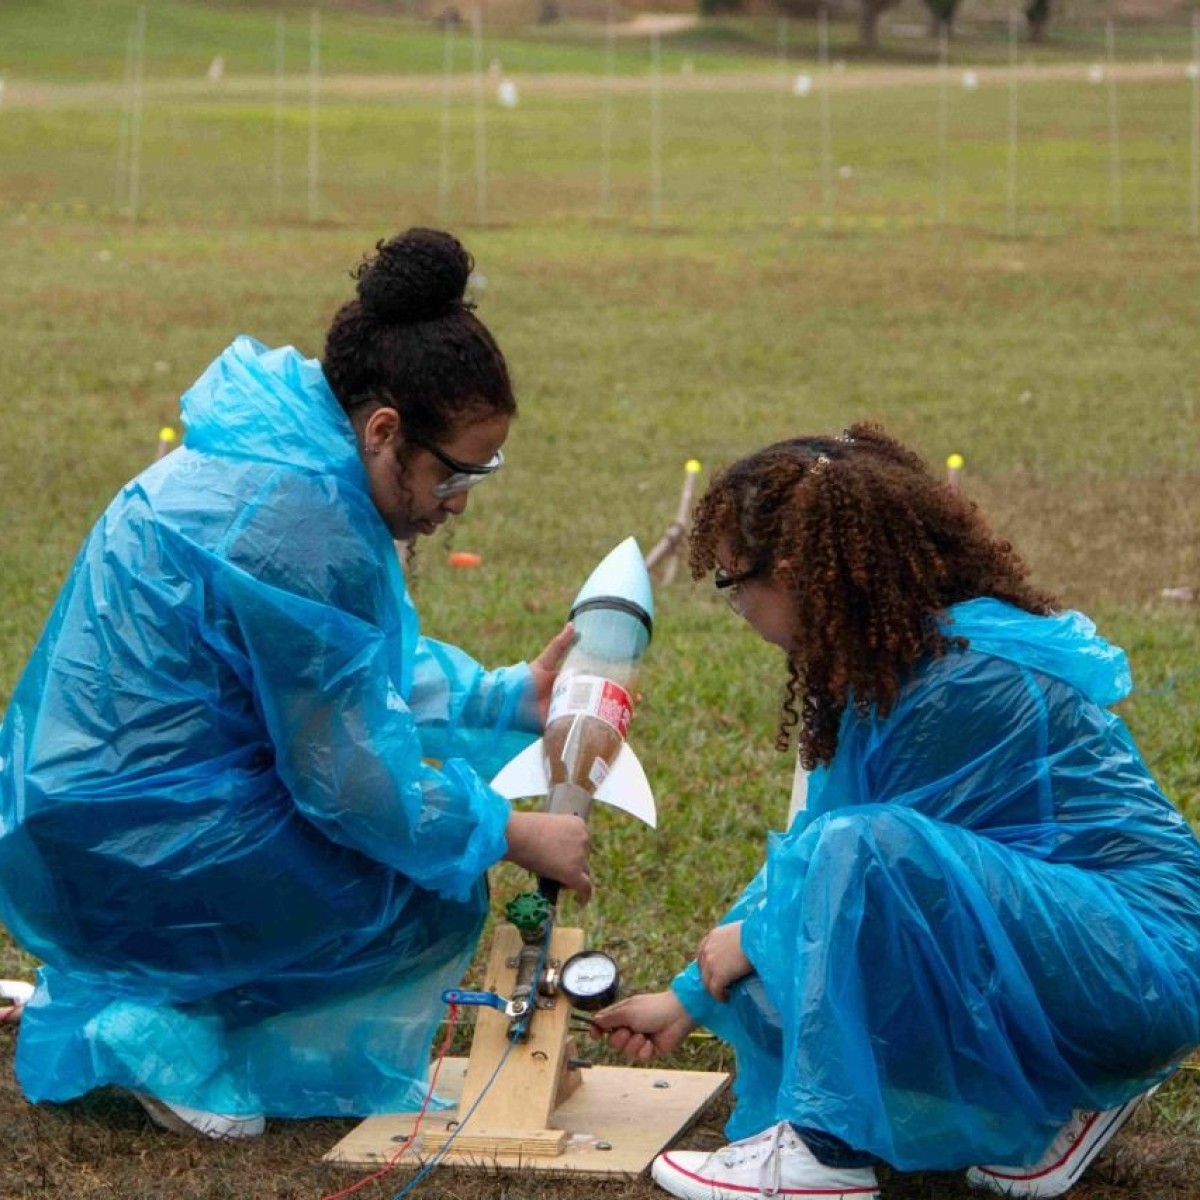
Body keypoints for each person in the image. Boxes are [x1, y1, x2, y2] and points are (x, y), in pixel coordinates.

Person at [0, 227, 592, 1139]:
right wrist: (507, 833)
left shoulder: (276, 456)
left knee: (406, 839)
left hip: (89, 830)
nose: (461, 501)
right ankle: (162, 1034)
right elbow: (350, 785)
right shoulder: (307, 521)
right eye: (454, 472)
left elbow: (334, 670)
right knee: (424, 891)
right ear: (384, 431)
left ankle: (164, 1001)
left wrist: (503, 697)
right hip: (137, 852)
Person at [594, 424, 1200, 1200]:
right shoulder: (891, 667)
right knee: (765, 996)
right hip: (1074, 950)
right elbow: (817, 856)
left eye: (732, 581)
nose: (736, 604)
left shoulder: (962, 682)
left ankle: (822, 1156)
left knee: (843, 880)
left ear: (792, 575)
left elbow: (867, 867)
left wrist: (757, 935)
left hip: (1137, 967)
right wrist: (685, 998)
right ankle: (1060, 1091)